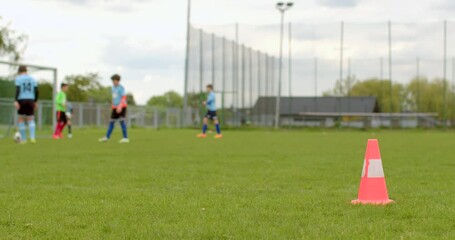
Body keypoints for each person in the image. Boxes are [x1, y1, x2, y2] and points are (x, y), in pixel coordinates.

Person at [99, 74, 129, 143]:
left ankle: (125, 138)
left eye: (114, 80)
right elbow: (113, 98)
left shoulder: (121, 88)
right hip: (115, 107)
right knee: (111, 122)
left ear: (118, 81)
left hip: (122, 107)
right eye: (112, 81)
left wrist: (120, 106)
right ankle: (107, 137)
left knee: (122, 121)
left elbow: (123, 97)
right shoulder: (112, 88)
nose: (113, 82)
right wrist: (112, 105)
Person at [14, 66, 38, 144]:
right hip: (31, 100)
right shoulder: (33, 79)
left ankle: (24, 139)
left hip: (22, 99)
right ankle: (32, 138)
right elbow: (36, 90)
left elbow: (18, 89)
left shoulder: (18, 78)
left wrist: (16, 100)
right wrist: (35, 101)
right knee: (30, 119)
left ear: (19, 71)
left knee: (21, 119)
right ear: (26, 71)